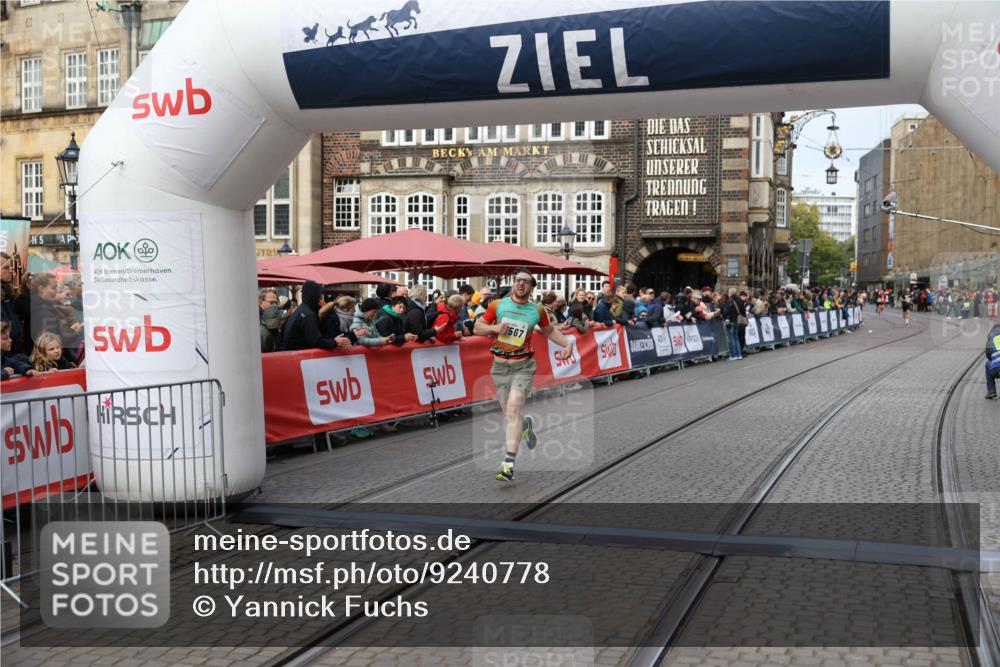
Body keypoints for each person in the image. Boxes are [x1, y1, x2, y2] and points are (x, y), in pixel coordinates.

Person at [474, 269, 574, 483]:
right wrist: (495, 328)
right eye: (518, 280)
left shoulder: (537, 310)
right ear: (513, 284)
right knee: (511, 416)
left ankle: (508, 464)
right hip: (499, 368)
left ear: (532, 287)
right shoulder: (497, 305)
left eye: (526, 282)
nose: (521, 284)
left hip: (523, 367)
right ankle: (526, 425)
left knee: (513, 409)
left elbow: (548, 331)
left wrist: (567, 343)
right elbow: (477, 328)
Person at [282, 280, 351, 351]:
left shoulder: (302, 310)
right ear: (313, 295)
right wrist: (335, 342)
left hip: (294, 355)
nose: (320, 297)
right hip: (299, 357)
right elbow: (316, 341)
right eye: (319, 294)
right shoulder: (308, 314)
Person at [986, 322, 1000, 400]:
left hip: (996, 369)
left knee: (987, 364)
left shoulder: (991, 336)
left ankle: (991, 391)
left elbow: (988, 355)